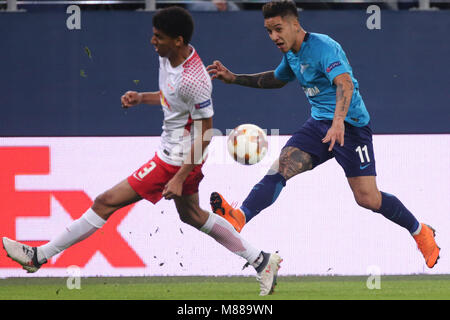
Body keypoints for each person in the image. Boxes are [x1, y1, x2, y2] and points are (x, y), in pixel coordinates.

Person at [2, 6, 281, 296]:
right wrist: (142, 98)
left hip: (177, 161)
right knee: (193, 216)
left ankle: (39, 256)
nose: (152, 41)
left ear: (178, 40)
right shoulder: (168, 59)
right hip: (172, 155)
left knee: (105, 202)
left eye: (158, 37)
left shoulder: (195, 80)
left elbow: (205, 134)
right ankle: (261, 260)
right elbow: (171, 97)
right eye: (153, 35)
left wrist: (178, 176)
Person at [206, 0, 440, 269]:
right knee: (280, 168)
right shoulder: (292, 55)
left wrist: (338, 121)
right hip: (319, 126)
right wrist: (235, 78)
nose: (274, 37)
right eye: (269, 31)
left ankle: (420, 231)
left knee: (367, 198)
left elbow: (345, 83)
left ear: (295, 24)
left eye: (278, 29)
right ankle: (239, 217)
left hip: (350, 127)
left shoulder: (323, 47)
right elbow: (277, 78)